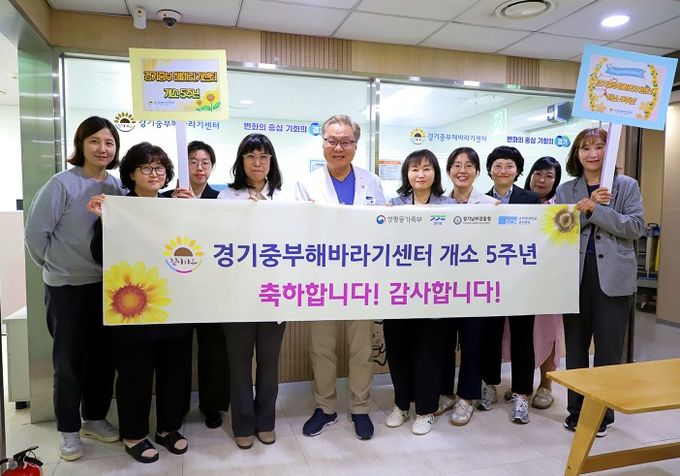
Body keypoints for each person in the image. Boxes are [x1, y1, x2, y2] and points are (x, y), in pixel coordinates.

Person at [24, 116, 123, 461]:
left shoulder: (115, 186)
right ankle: (68, 429)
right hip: (66, 287)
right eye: (95, 141)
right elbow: (35, 235)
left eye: (109, 142)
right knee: (68, 362)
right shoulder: (61, 184)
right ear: (81, 144)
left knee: (102, 359)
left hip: (106, 287)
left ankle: (93, 418)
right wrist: (55, 265)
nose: (102, 148)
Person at [89, 142, 193, 463]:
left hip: (174, 304)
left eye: (159, 168)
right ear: (131, 173)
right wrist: (104, 220)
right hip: (132, 306)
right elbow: (99, 255)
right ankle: (134, 434)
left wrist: (195, 212)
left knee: (174, 370)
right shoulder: (117, 207)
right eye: (145, 167)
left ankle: (168, 428)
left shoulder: (176, 206)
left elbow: (196, 248)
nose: (154, 173)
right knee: (135, 373)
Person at [295, 114, 385, 440]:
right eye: (332, 141)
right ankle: (325, 407)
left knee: (361, 347)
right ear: (323, 144)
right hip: (321, 275)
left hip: (361, 275)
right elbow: (298, 230)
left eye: (346, 141)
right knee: (322, 345)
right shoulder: (306, 183)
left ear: (355, 146)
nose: (338, 147)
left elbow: (381, 226)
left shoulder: (371, 182)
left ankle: (360, 408)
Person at [555, 128, 644, 437]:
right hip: (575, 276)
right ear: (576, 154)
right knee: (576, 349)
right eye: (585, 148)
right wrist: (585, 208)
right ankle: (576, 411)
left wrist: (598, 210)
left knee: (608, 351)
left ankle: (602, 415)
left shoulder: (626, 185)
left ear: (610, 150)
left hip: (614, 278)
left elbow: (636, 227)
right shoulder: (567, 189)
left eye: (598, 147)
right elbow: (559, 229)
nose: (592, 153)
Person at [217, 133, 289, 449]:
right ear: (241, 161)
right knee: (239, 362)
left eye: (263, 156)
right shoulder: (226, 198)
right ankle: (243, 424)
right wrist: (244, 216)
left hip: (275, 292)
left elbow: (295, 239)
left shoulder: (285, 199)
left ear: (271, 161)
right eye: (251, 156)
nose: (257, 162)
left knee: (270, 363)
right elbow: (218, 242)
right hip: (236, 294)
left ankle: (266, 421)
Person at [383, 149, 454, 435]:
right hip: (398, 291)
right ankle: (401, 405)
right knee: (397, 349)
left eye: (426, 168)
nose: (420, 174)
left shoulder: (450, 206)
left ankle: (425, 410)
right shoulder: (393, 205)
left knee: (429, 352)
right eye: (414, 169)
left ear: (435, 173)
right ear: (406, 174)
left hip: (434, 292)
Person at [164, 140, 230, 429]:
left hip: (211, 288)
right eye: (193, 161)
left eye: (205, 162)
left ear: (212, 167)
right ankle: (176, 407)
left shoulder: (222, 200)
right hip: (175, 287)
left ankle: (212, 406)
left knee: (214, 350)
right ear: (183, 165)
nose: (199, 167)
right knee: (176, 351)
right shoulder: (165, 198)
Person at [435, 147, 496, 426]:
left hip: (476, 286)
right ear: (448, 170)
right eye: (457, 165)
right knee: (443, 342)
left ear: (477, 171)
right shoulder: (437, 203)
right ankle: (446, 393)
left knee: (473, 343)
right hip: (443, 286)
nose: (462, 170)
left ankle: (466, 397)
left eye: (469, 165)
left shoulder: (491, 205)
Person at [479, 145, 540, 424]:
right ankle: (489, 385)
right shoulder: (480, 200)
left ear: (518, 171)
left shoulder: (532, 199)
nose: (503, 170)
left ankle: (522, 394)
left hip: (522, 280)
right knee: (489, 335)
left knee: (522, 337)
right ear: (489, 170)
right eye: (498, 165)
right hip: (490, 279)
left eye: (510, 166)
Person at [500, 156, 565, 409]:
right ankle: (522, 384)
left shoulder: (560, 207)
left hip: (548, 283)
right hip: (519, 283)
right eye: (538, 173)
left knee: (548, 333)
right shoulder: (517, 201)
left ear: (556, 181)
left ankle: (546, 385)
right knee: (523, 335)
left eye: (549, 176)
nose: (542, 180)